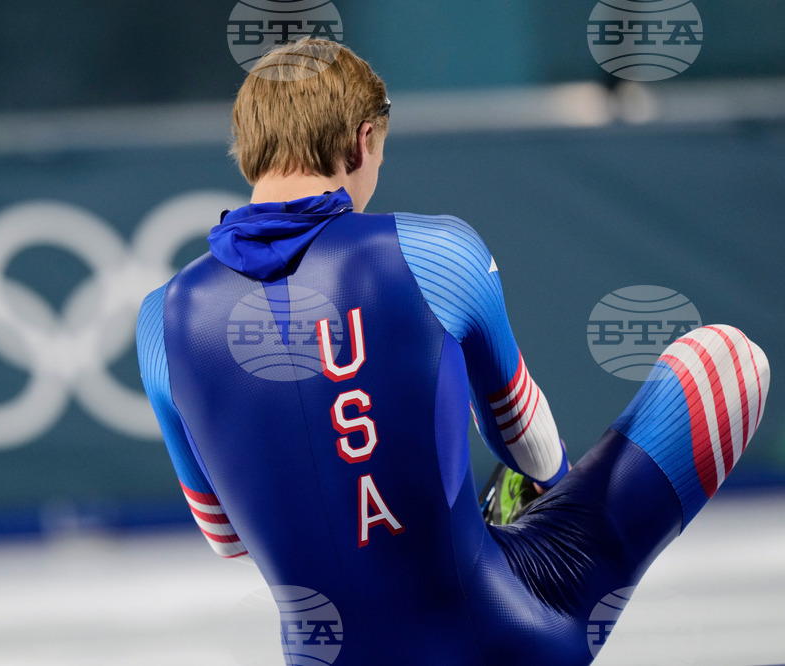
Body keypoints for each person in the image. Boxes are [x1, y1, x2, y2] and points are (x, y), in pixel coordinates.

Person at [136, 39, 771, 665]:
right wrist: (544, 504)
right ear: (364, 140)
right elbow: (527, 444)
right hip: (506, 638)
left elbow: (226, 539)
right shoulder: (434, 251)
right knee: (730, 357)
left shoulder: (160, 319)